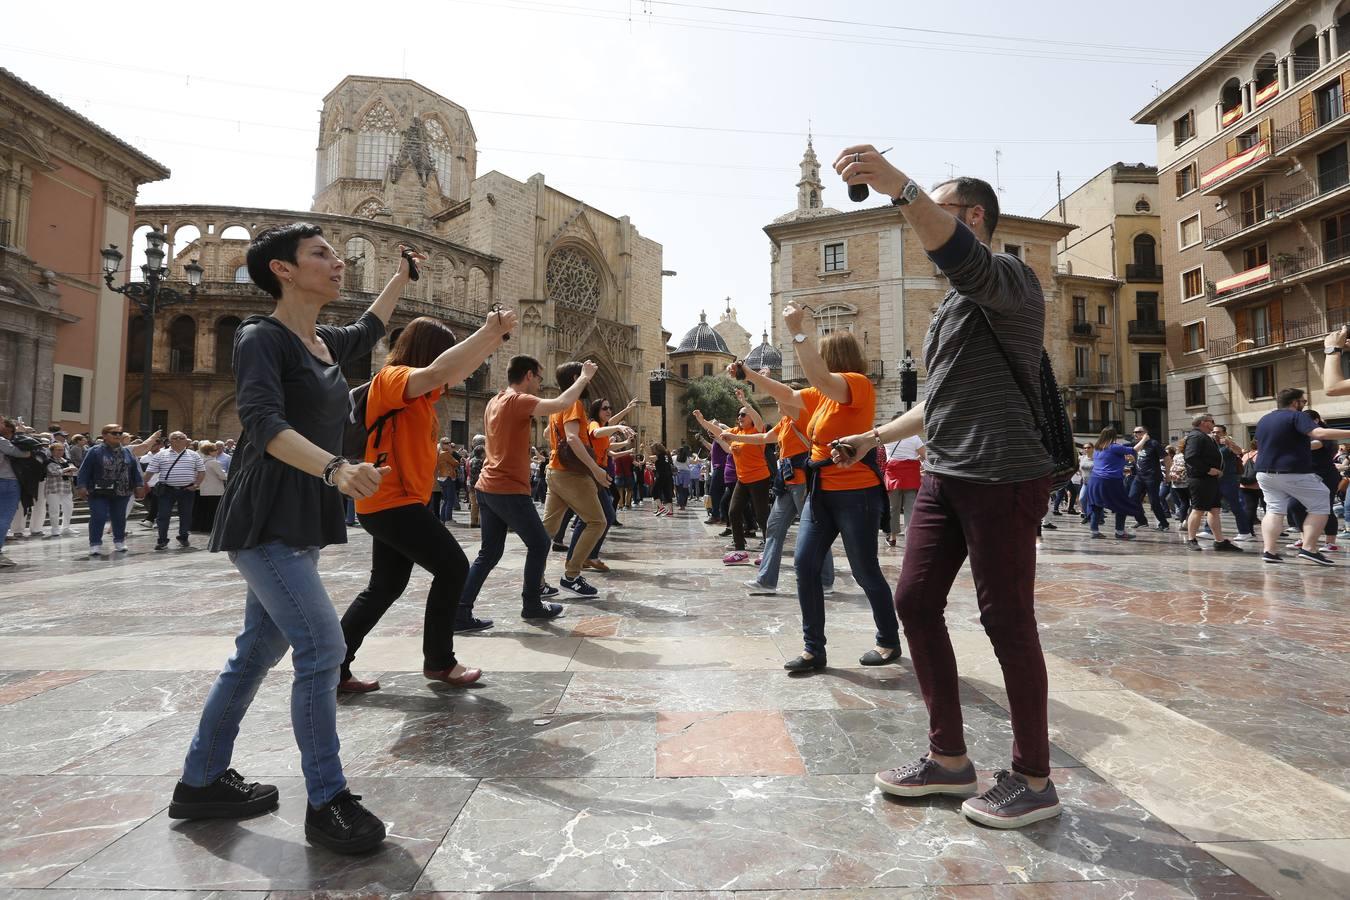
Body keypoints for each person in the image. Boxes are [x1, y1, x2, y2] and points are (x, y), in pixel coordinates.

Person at [828, 155, 1060, 828]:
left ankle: (1034, 777)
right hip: (946, 473)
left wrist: (900, 186)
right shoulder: (952, 308)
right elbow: (936, 400)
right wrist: (875, 436)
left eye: (934, 209)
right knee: (914, 600)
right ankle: (949, 759)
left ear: (974, 217)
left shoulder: (1009, 279)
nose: (915, 222)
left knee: (1007, 622)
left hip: (1004, 472)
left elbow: (962, 256)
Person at [171, 224, 401, 855]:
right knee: (324, 650)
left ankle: (201, 781)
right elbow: (263, 420)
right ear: (282, 270)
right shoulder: (260, 338)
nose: (337, 262)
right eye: (321, 254)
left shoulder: (325, 341)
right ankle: (328, 800)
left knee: (252, 657)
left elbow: (371, 329)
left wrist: (399, 281)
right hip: (266, 516)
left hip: (299, 522)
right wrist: (335, 466)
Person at [338, 310, 516, 694]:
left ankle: (331, 667)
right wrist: (486, 330)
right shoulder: (392, 380)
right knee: (453, 568)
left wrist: (493, 338)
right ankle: (440, 662)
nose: (449, 363)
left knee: (384, 587)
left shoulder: (419, 391)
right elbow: (440, 372)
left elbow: (452, 372)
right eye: (444, 351)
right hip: (391, 500)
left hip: (391, 503)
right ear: (429, 351)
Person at [756, 303, 901, 672]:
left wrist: (797, 331)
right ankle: (813, 650)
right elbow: (786, 394)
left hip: (857, 493)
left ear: (832, 357)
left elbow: (819, 378)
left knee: (865, 570)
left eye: (820, 357)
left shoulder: (857, 386)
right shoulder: (821, 396)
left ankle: (888, 641)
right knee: (805, 565)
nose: (814, 363)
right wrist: (747, 375)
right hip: (820, 492)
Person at [457, 356, 597, 630]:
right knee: (539, 543)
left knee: (489, 552)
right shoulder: (517, 400)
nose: (540, 384)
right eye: (539, 378)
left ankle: (460, 611)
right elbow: (559, 405)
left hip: (487, 486)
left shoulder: (494, 400)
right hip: (507, 487)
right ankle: (532, 603)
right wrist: (584, 377)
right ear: (529, 375)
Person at [727, 370, 836, 596]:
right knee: (774, 529)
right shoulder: (786, 422)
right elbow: (765, 438)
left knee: (816, 529)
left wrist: (762, 380)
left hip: (801, 482)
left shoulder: (801, 415)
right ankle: (766, 581)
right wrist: (735, 437)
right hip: (786, 482)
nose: (776, 402)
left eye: (781, 399)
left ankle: (826, 581)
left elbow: (783, 396)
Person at [1254, 387, 1350, 565]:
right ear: (1295, 402)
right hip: (1292, 472)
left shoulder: (1264, 419)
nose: (1304, 405)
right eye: (1303, 402)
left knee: (1274, 509)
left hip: (1264, 473)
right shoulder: (1297, 416)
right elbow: (1319, 434)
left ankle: (1269, 551)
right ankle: (1309, 548)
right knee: (1321, 503)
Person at [541, 360, 612, 597]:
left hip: (554, 471)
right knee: (597, 522)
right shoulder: (573, 403)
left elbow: (546, 434)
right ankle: (572, 575)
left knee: (548, 529)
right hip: (571, 474)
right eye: (584, 374)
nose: (589, 378)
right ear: (575, 378)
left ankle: (536, 579)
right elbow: (572, 438)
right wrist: (595, 469)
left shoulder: (557, 404)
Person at [566, 398, 635, 569]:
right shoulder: (593, 424)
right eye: (605, 408)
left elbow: (611, 423)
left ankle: (585, 556)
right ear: (596, 410)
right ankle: (582, 557)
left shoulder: (603, 424)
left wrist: (626, 410)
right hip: (592, 474)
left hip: (599, 476)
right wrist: (619, 427)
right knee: (595, 518)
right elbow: (597, 433)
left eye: (610, 407)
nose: (608, 410)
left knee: (597, 518)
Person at [74, 424, 145, 558]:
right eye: (114, 433)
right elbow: (84, 470)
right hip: (99, 491)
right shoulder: (94, 451)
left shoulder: (127, 452)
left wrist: (139, 485)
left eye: (120, 433)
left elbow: (135, 470)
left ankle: (119, 540)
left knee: (119, 517)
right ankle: (95, 543)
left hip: (122, 491)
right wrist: (81, 486)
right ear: (105, 435)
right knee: (99, 516)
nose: (118, 436)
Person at [1182, 413, 1242, 553]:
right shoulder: (1196, 436)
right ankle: (1191, 539)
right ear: (1204, 422)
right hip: (1201, 479)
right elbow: (1190, 457)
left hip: (1210, 479)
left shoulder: (1205, 437)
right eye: (1211, 421)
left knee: (1214, 509)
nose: (1213, 424)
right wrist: (1208, 470)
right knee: (1198, 509)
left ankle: (1219, 541)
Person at [145, 431, 206, 551]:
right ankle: (162, 540)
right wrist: (141, 485)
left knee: (186, 515)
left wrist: (196, 485)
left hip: (187, 490)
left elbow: (202, 471)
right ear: (169, 441)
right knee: (163, 516)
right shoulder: (160, 455)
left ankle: (183, 537)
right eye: (175, 438)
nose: (178, 440)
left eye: (181, 438)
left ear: (186, 440)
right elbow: (150, 472)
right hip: (166, 490)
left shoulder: (194, 455)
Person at [1083, 428, 1144, 540]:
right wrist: (1144, 438)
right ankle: (1120, 532)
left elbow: (1109, 461)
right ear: (1113, 436)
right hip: (1110, 481)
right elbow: (1135, 449)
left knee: (1096, 505)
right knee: (1121, 505)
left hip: (1094, 480)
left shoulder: (1097, 448)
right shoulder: (1114, 447)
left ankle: (1094, 531)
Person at [1213, 424, 1256, 542]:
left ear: (1224, 433)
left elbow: (1239, 451)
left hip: (1229, 479)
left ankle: (1245, 532)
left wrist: (1229, 443)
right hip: (1216, 480)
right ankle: (1208, 530)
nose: (1215, 434)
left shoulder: (1228, 445)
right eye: (1213, 432)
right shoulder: (1212, 445)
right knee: (1213, 507)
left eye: (1218, 432)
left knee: (1235, 506)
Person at [882, 434, 925, 546]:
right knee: (910, 509)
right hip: (911, 476)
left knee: (893, 508)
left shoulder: (888, 437)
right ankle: (910, 539)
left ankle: (892, 537)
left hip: (892, 475)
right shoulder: (914, 438)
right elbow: (925, 455)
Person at [1126, 426, 1170, 531]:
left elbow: (1167, 458)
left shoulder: (1154, 443)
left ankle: (1164, 524)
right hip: (1139, 476)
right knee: (1132, 498)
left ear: (1146, 433)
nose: (1135, 434)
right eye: (1134, 432)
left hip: (1152, 476)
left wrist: (1167, 474)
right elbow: (1132, 453)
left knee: (1154, 502)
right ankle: (1141, 521)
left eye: (1138, 432)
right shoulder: (1136, 444)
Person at [42, 442, 78, 537]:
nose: (60, 452)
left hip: (66, 488)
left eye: (62, 449)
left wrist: (66, 471)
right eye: (58, 450)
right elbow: (54, 471)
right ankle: (55, 529)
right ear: (52, 451)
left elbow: (75, 472)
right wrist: (68, 470)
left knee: (68, 508)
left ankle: (66, 528)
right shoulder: (48, 461)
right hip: (53, 488)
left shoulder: (65, 460)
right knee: (54, 510)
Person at [193, 441, 228, 532]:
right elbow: (223, 476)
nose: (217, 451)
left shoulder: (201, 461)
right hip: (214, 490)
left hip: (204, 489)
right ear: (210, 451)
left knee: (205, 510)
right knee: (213, 510)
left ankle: (203, 527)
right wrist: (226, 473)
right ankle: (210, 528)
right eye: (215, 450)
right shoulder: (214, 462)